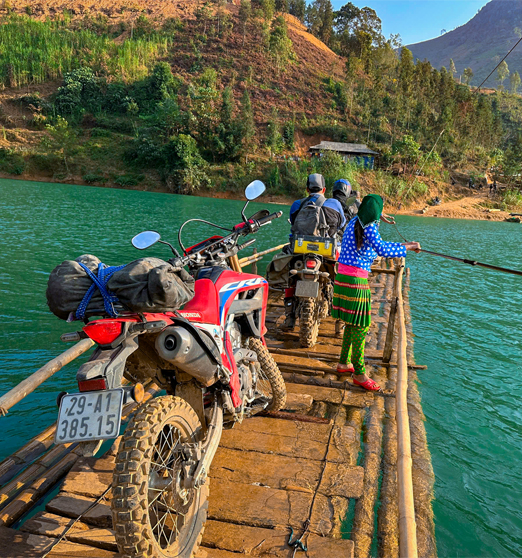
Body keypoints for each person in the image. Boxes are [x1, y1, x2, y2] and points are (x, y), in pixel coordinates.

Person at [333, 194, 420, 391]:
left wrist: (381, 215)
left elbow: (367, 211)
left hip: (342, 278)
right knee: (362, 326)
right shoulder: (369, 227)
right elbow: (382, 249)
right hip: (356, 281)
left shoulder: (355, 221)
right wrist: (408, 246)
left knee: (352, 323)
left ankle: (343, 362)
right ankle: (359, 372)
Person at [282, 174, 346, 330]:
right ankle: (339, 315)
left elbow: (292, 223)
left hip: (299, 249)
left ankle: (290, 316)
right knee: (339, 276)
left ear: (307, 189)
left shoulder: (297, 204)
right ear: (324, 189)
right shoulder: (334, 203)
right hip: (326, 251)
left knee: (290, 277)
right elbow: (342, 224)